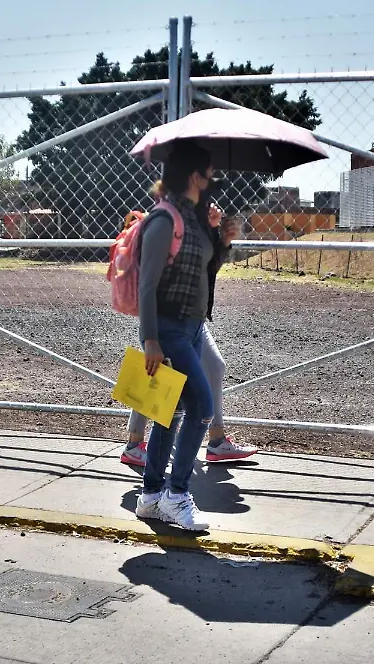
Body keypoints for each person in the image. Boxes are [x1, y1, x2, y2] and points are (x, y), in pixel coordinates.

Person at [133, 141, 239, 531]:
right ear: (194, 176)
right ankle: (177, 495)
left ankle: (150, 497)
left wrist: (222, 241)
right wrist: (151, 341)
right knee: (201, 407)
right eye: (209, 174)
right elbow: (146, 286)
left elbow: (205, 271)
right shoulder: (164, 220)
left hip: (193, 328)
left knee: (169, 413)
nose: (212, 181)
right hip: (171, 329)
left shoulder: (191, 219)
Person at [121, 326, 258, 467]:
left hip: (194, 319)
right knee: (157, 371)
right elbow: (146, 303)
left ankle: (217, 440)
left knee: (214, 366)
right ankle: (134, 444)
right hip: (165, 318)